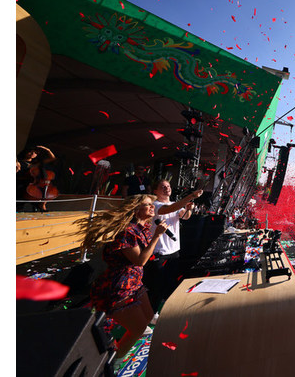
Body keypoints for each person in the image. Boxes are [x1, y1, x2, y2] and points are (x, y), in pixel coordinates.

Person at [75, 194, 169, 359]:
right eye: (148, 204)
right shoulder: (127, 232)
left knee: (147, 317)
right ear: (136, 210)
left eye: (151, 204)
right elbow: (140, 260)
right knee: (138, 329)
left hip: (135, 282)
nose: (152, 207)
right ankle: (113, 363)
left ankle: (117, 350)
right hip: (120, 285)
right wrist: (157, 236)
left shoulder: (142, 228)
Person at [144, 180, 203, 316]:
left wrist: (189, 209)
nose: (167, 189)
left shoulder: (174, 204)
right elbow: (170, 209)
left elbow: (185, 217)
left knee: (169, 284)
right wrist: (191, 196)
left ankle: (163, 310)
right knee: (156, 286)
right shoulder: (156, 205)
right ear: (155, 191)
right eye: (163, 187)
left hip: (174, 252)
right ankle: (151, 315)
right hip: (160, 252)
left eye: (169, 186)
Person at [17, 145, 57, 212]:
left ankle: (42, 205)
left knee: (40, 195)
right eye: (30, 152)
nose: (33, 154)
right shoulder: (19, 163)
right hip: (22, 184)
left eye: (35, 153)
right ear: (26, 152)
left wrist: (48, 150)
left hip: (33, 185)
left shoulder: (36, 163)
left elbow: (52, 158)